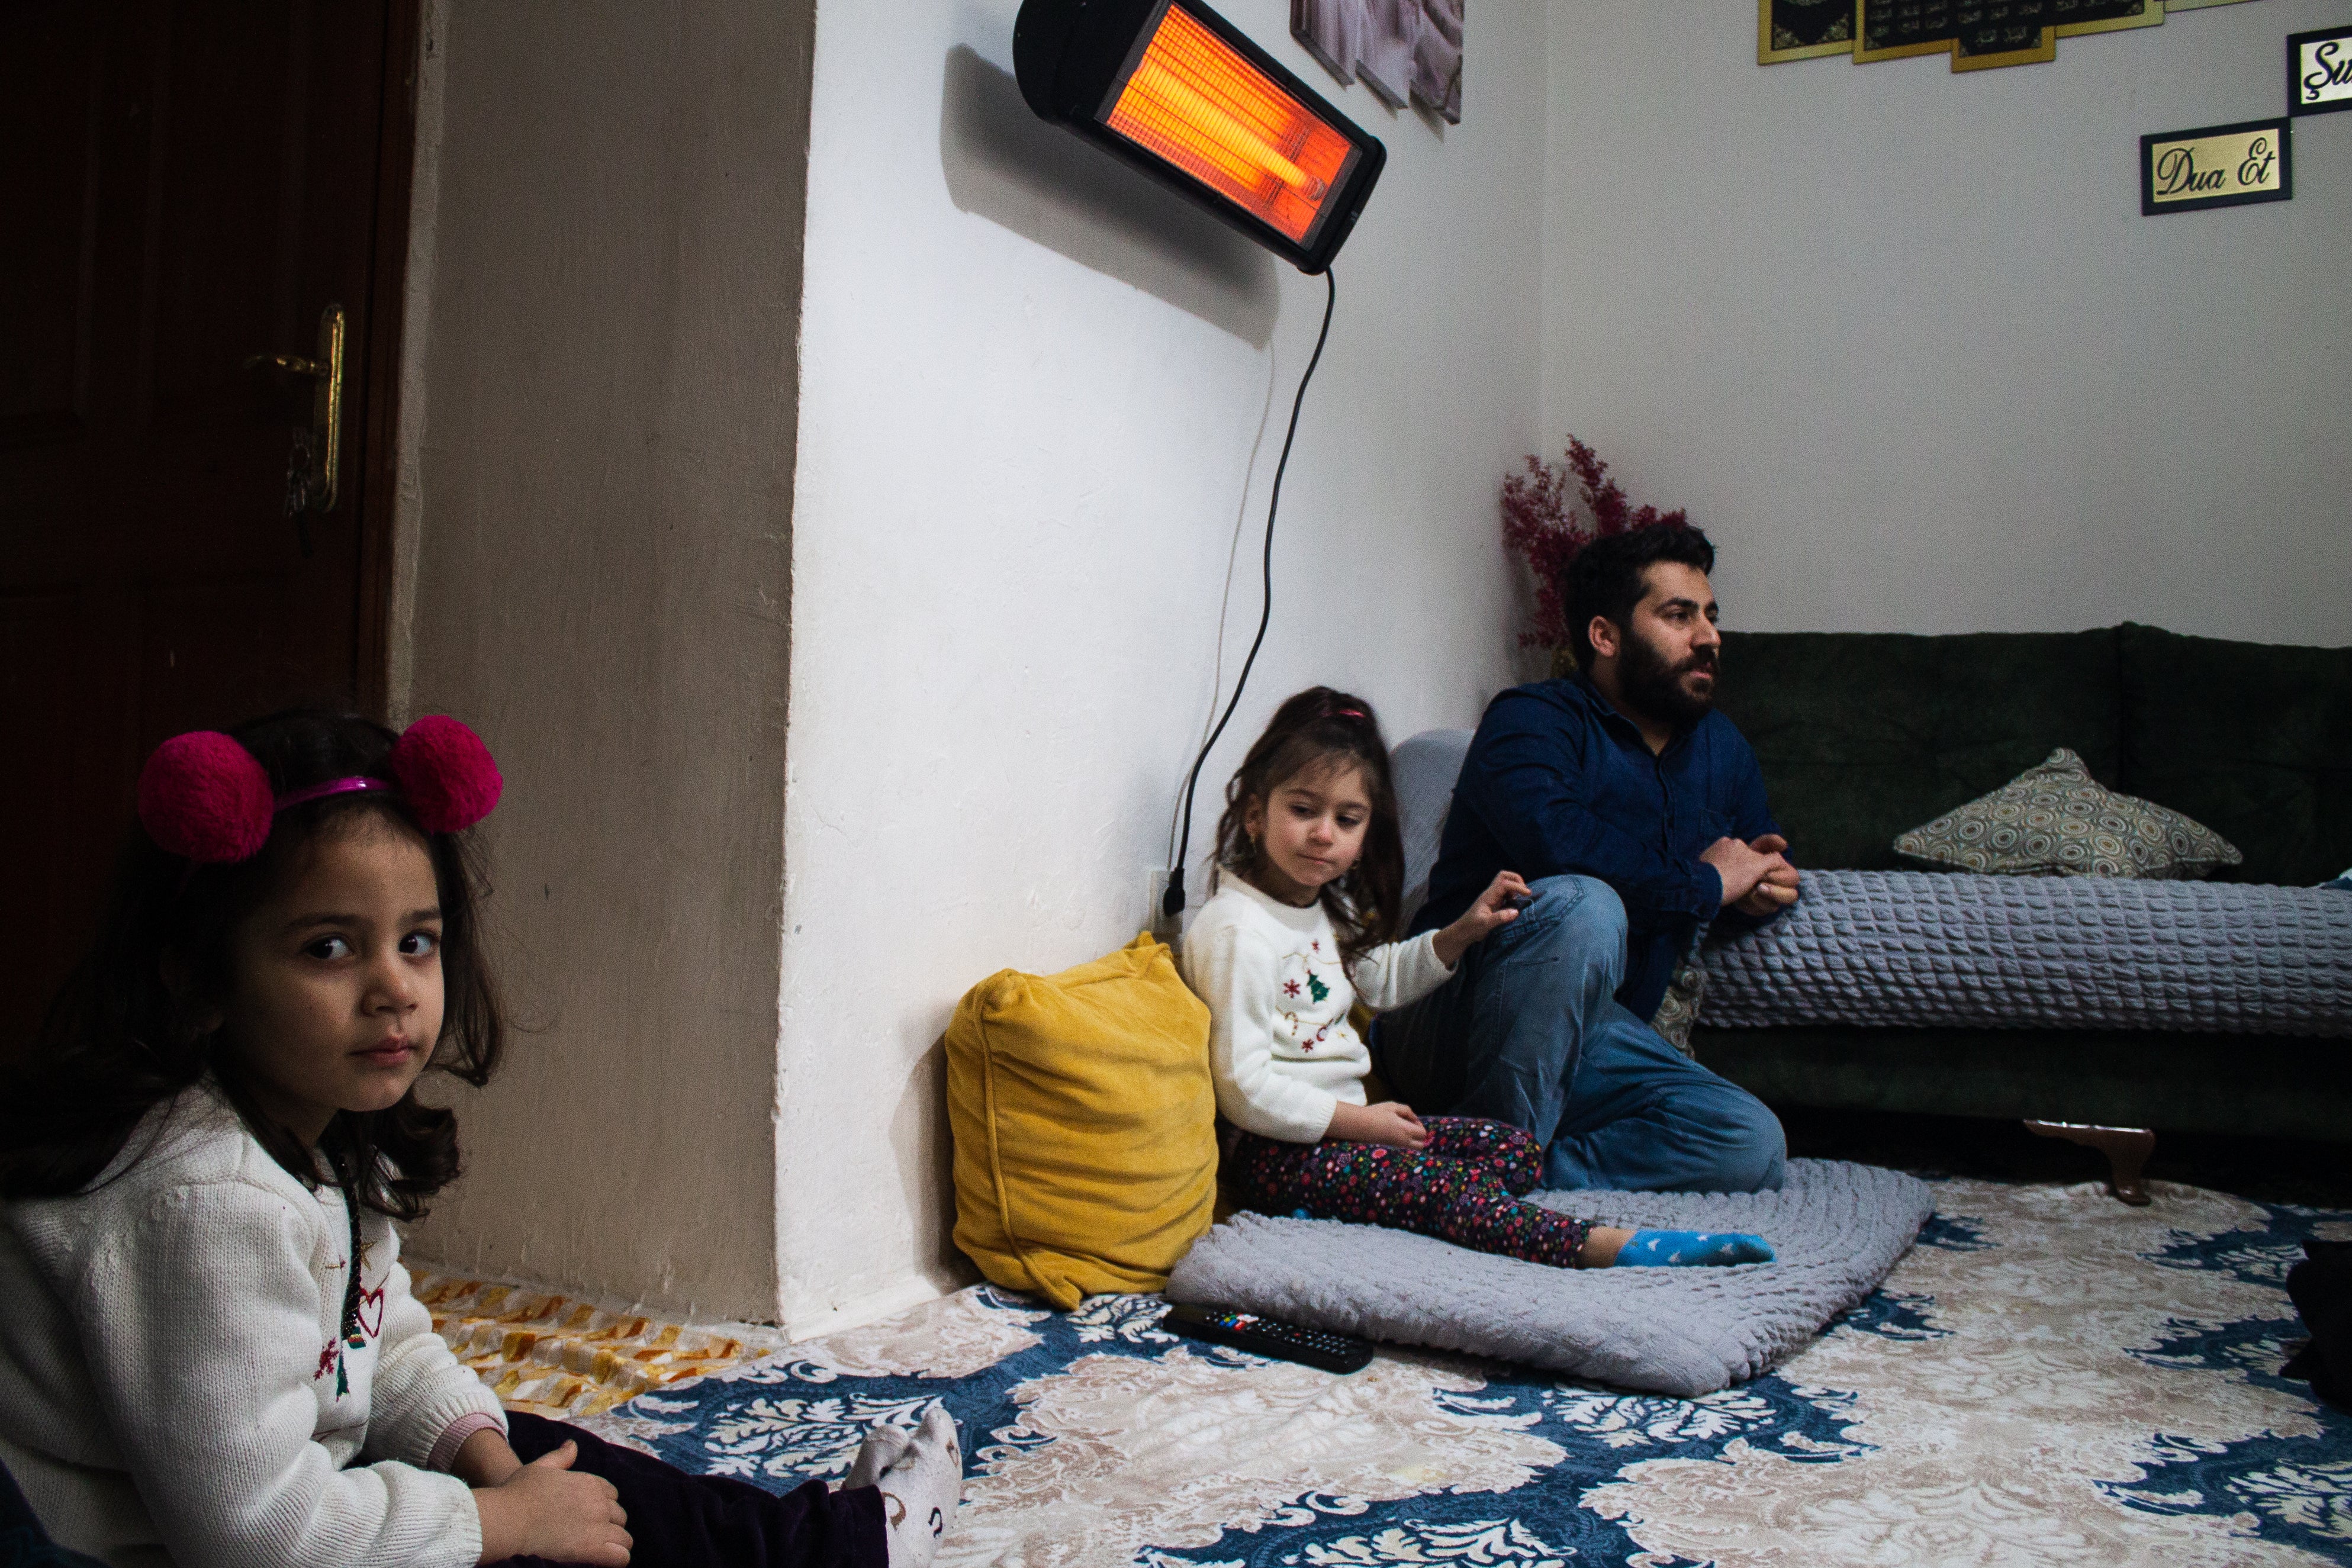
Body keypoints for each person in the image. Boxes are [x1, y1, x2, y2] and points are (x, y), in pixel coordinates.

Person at [0, 711, 963, 1568]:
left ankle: (832, 1541)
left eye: (414, 939)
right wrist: (498, 1522)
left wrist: (493, 1464)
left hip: (278, 1484)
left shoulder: (322, 1126)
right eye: (328, 946)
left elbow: (380, 1344)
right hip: (113, 1540)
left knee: (556, 1461)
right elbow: (254, 1533)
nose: (393, 986)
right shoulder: (204, 1198)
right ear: (197, 976)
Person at [1182, 688, 1774, 1270]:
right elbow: (1243, 1086)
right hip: (1280, 1154)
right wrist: (1359, 1123)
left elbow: (1378, 982)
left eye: (1347, 819)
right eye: (1303, 811)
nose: (1323, 835)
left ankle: (1394, 1200)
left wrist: (1461, 932)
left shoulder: (1316, 911)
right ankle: (1599, 1245)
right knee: (1450, 1194)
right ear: (1256, 815)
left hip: (1344, 1137)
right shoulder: (1237, 929)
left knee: (1512, 1151)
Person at [1374, 525, 1798, 1194]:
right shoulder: (1529, 720)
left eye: (1711, 617)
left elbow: (1752, 862)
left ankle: (1485, 1170)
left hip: (1591, 1029)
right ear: (1604, 636)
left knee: (1748, 1140)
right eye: (1678, 615)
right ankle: (1485, 1183)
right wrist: (1710, 881)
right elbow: (1561, 848)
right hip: (1452, 1012)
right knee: (1583, 904)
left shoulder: (1723, 749)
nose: (1709, 637)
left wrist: (1759, 889)